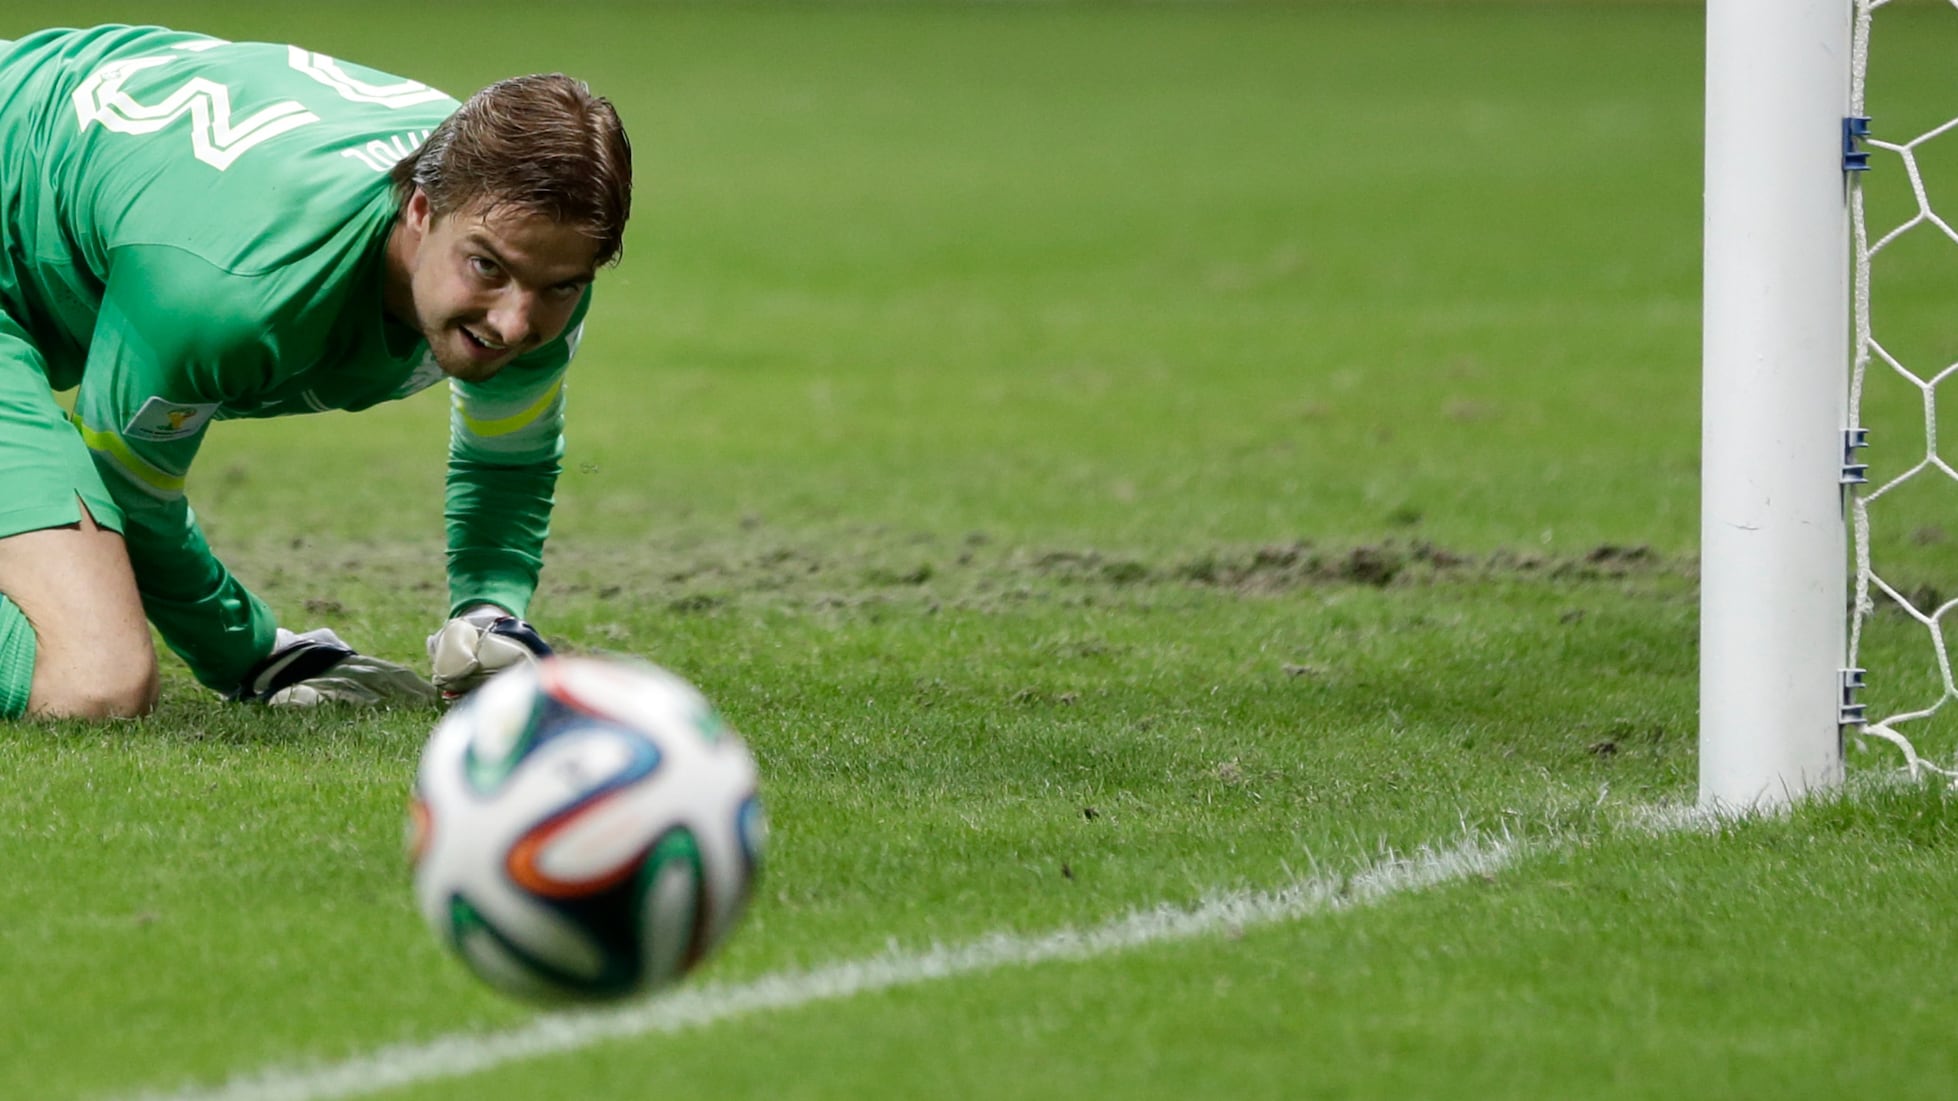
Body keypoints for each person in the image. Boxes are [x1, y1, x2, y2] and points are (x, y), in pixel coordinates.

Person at [0, 24, 632, 717]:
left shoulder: (524, 238)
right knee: (92, 682)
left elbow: (507, 457)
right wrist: (254, 653)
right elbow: (130, 486)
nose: (514, 323)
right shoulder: (237, 291)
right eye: (487, 268)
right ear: (421, 211)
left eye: (562, 286)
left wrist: (488, 614)